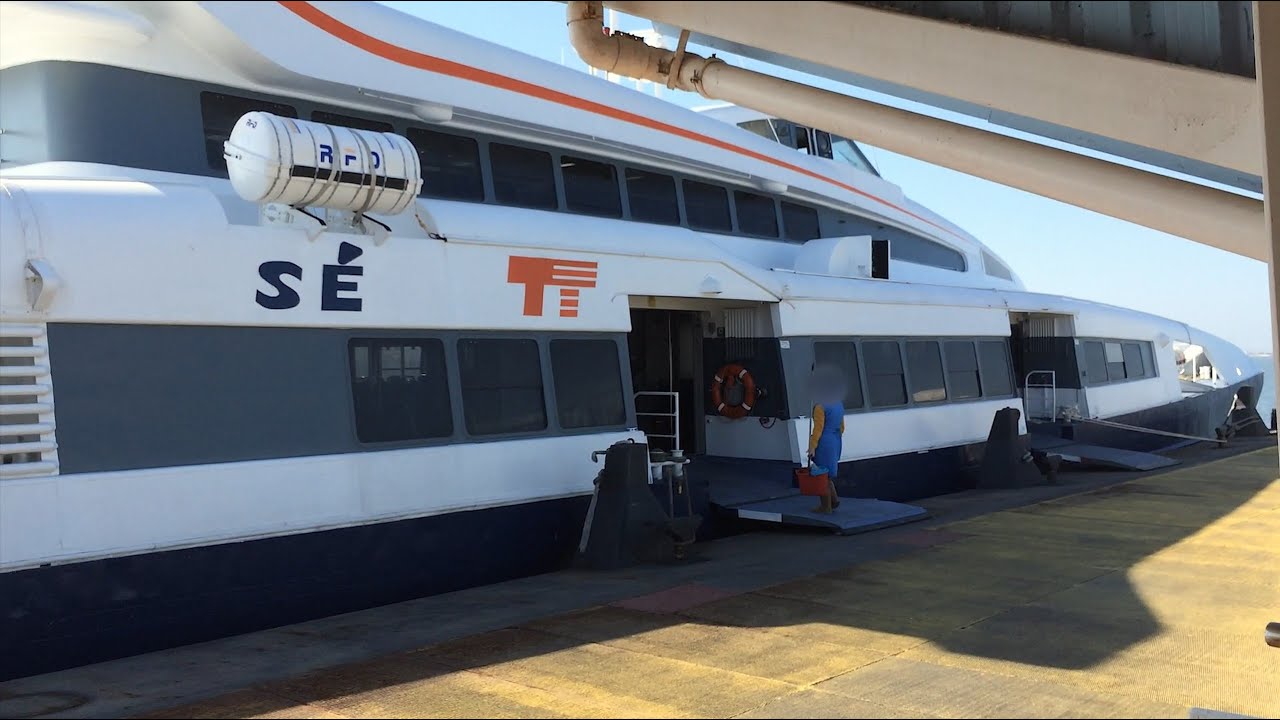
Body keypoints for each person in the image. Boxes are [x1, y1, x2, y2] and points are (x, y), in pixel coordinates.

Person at [806, 365, 845, 514]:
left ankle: (825, 506)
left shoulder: (819, 407)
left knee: (821, 474)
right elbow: (842, 426)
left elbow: (818, 429)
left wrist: (812, 446)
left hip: (825, 441)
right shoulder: (838, 403)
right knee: (828, 474)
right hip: (836, 440)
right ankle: (834, 501)